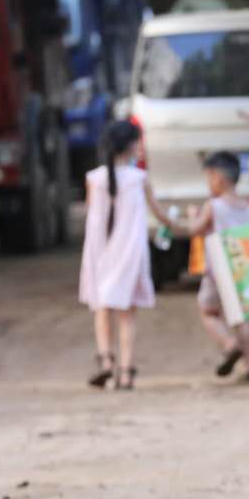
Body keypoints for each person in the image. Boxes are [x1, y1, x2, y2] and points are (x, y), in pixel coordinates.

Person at [78, 119, 174, 390]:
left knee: (102, 308)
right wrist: (178, 225)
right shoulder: (139, 179)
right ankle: (127, 371)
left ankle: (106, 362)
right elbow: (158, 213)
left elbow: (91, 213)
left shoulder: (93, 179)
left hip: (101, 253)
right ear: (132, 146)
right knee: (127, 313)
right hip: (129, 254)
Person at [182, 152, 249, 382]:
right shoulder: (247, 206)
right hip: (243, 270)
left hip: (217, 270)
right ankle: (248, 366)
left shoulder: (213, 206)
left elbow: (196, 229)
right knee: (242, 318)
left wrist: (192, 216)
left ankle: (229, 343)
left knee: (208, 311)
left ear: (217, 178)